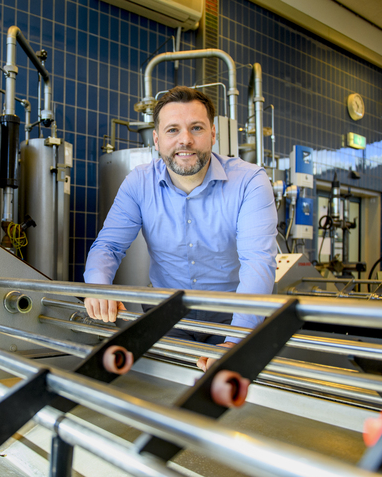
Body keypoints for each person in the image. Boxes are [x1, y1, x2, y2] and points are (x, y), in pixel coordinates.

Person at [83, 86, 278, 371]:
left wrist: (237, 339)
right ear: (157, 139)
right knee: (161, 392)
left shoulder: (250, 181)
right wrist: (98, 288)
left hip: (232, 318)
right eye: (173, 130)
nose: (185, 140)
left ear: (213, 134)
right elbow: (108, 247)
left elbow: (258, 261)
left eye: (196, 128)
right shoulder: (139, 182)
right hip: (166, 316)